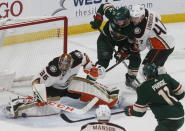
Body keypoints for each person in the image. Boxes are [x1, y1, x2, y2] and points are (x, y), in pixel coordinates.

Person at [3, 50, 119, 118]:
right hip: (51, 89)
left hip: (68, 85)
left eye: (65, 66)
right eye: (61, 65)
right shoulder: (53, 69)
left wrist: (92, 69)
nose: (63, 67)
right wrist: (39, 96)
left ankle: (110, 96)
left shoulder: (77, 58)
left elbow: (86, 60)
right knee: (53, 109)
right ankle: (17, 106)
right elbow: (36, 80)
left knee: (84, 85)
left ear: (70, 63)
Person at [90, 3, 141, 88]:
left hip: (123, 42)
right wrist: (98, 20)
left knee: (135, 58)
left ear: (128, 19)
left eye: (121, 20)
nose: (118, 22)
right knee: (103, 61)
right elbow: (103, 6)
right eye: (117, 20)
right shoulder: (113, 14)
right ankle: (90, 78)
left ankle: (130, 79)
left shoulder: (133, 27)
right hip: (106, 39)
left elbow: (131, 42)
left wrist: (122, 51)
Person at [124, 63, 184, 131]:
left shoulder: (143, 88)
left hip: (167, 122)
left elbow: (140, 112)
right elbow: (181, 93)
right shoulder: (165, 77)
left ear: (145, 74)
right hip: (181, 116)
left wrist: (129, 111)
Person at [130, 4, 175, 75]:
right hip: (169, 40)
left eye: (136, 18)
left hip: (162, 47)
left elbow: (141, 47)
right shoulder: (148, 12)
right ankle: (166, 82)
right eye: (132, 17)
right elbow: (158, 16)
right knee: (159, 68)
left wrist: (132, 48)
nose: (134, 20)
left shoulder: (140, 30)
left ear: (142, 16)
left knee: (147, 69)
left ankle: (155, 85)